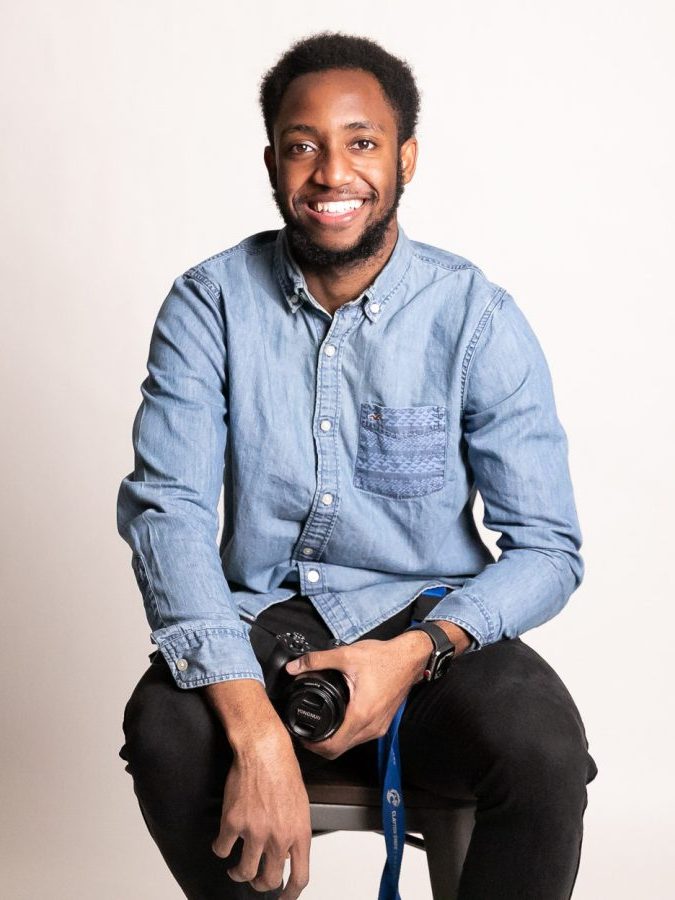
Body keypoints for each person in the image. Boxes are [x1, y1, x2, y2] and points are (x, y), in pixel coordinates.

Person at [117, 31, 598, 900]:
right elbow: (169, 515)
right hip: (264, 625)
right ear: (272, 161)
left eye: (362, 142)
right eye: (304, 145)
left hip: (433, 632)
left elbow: (548, 547)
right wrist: (256, 730)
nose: (331, 172)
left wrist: (414, 652)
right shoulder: (209, 303)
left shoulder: (475, 316)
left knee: (541, 753)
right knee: (163, 730)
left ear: (405, 157)